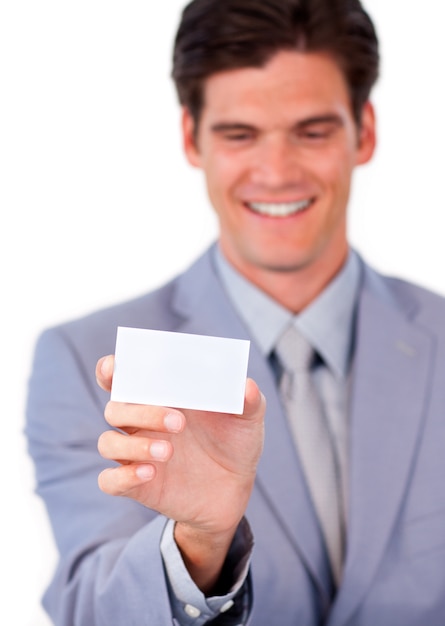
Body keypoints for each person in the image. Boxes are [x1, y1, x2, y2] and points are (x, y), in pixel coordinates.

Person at [25, 0, 445, 624]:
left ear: (367, 131)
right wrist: (200, 544)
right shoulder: (89, 361)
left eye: (312, 131)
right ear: (193, 139)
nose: (276, 172)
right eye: (239, 134)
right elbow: (91, 609)